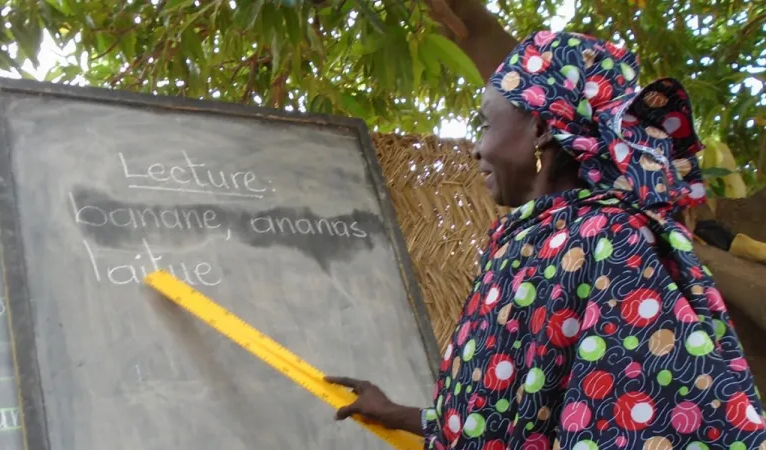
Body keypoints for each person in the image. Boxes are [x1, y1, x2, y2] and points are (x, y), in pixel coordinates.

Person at [326, 30, 766, 449]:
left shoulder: (611, 242)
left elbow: (640, 419)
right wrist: (397, 413)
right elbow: (499, 416)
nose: (477, 148)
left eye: (485, 124)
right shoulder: (535, 242)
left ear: (540, 128)